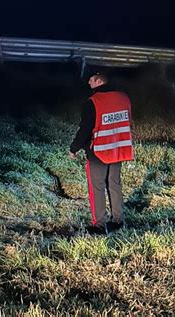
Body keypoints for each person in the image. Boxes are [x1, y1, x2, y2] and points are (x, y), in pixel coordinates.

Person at [69, 72, 134, 235]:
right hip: (119, 148)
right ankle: (118, 220)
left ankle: (99, 225)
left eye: (91, 80)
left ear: (99, 81)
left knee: (97, 187)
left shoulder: (93, 102)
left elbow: (85, 129)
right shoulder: (124, 97)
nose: (88, 83)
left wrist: (74, 148)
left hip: (99, 151)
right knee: (115, 184)